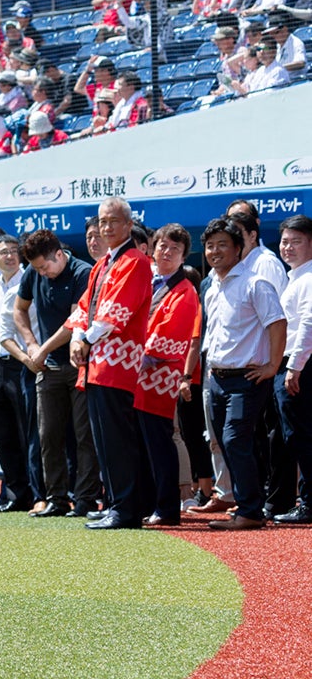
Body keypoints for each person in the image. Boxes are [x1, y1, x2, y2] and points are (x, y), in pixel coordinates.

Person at [68, 198, 153, 530]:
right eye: (102, 222)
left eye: (112, 221)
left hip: (118, 363)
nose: (105, 228)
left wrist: (84, 338)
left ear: (128, 225)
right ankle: (116, 503)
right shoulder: (103, 264)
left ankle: (127, 508)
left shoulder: (135, 261)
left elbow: (116, 311)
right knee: (103, 439)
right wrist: (77, 336)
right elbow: (84, 306)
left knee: (117, 438)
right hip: (96, 364)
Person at [200, 218, 287, 530]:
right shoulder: (211, 288)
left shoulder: (255, 283)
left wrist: (273, 365)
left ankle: (250, 511)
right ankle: (245, 503)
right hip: (217, 378)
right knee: (225, 443)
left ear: (239, 249)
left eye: (223, 244)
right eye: (210, 246)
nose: (215, 251)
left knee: (235, 439)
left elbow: (277, 323)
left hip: (247, 379)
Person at [136, 224, 202, 526]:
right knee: (142, 443)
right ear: (152, 247)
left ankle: (166, 507)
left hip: (158, 377)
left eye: (175, 249)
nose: (167, 252)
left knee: (161, 442)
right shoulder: (146, 279)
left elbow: (170, 334)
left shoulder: (185, 291)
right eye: (163, 245)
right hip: (136, 377)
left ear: (183, 256)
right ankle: (146, 503)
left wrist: (132, 357)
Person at [0, 234, 33, 512]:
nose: (10, 256)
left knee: (27, 432)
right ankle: (12, 493)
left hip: (23, 363)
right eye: (4, 252)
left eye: (14, 251)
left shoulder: (29, 281)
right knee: (2, 434)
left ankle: (33, 494)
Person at [273, 214, 312, 524]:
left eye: (296, 241)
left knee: (301, 435)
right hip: (291, 365)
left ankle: (309, 503)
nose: (288, 247)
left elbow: (308, 325)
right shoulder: (293, 276)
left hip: (300, 367)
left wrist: (294, 367)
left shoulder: (309, 277)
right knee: (296, 435)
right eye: (285, 241)